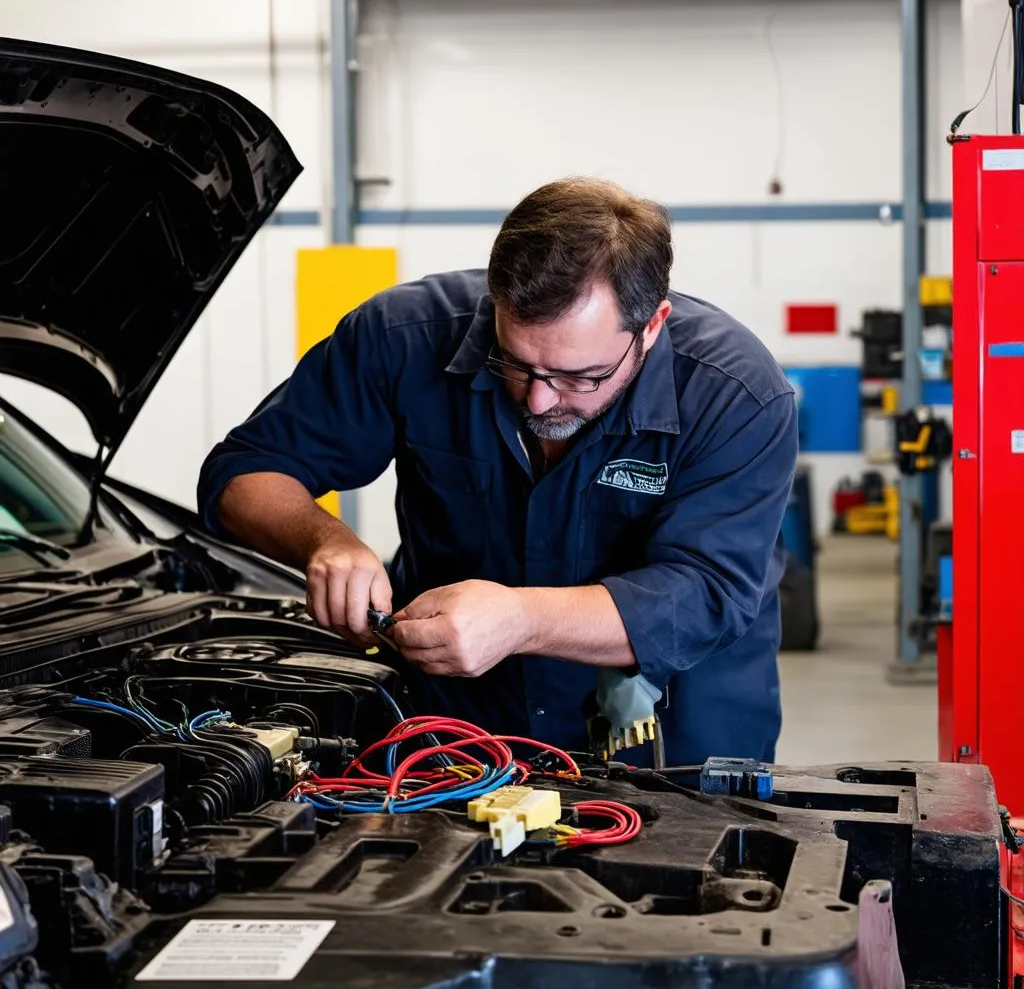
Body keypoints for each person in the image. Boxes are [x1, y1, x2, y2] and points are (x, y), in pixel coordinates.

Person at [196, 177, 798, 765]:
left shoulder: (736, 394)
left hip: (676, 737)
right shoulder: (403, 338)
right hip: (459, 731)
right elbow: (243, 472)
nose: (539, 401)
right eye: (513, 362)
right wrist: (324, 539)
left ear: (653, 324)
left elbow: (707, 593)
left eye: (578, 377)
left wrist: (520, 619)